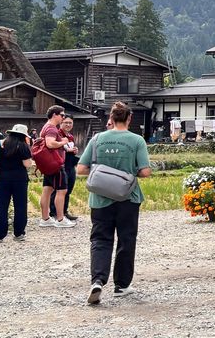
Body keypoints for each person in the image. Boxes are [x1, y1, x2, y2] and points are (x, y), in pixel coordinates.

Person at [77, 102, 152, 305]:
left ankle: (98, 280)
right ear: (129, 119)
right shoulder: (136, 140)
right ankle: (122, 285)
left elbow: (81, 168)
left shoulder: (97, 139)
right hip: (128, 198)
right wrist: (125, 173)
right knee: (126, 240)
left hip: (100, 200)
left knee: (100, 240)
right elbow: (145, 171)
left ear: (111, 118)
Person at [0, 125, 33, 242]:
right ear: (23, 135)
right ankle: (18, 234)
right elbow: (27, 164)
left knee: (2, 206)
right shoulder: (23, 146)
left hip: (2, 179)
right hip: (20, 179)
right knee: (20, 206)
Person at [38, 106, 75, 228]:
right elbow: (50, 143)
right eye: (62, 115)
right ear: (55, 115)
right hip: (56, 163)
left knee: (47, 190)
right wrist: (63, 142)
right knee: (62, 190)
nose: (63, 118)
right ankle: (60, 219)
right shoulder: (52, 129)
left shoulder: (45, 127)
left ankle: (45, 218)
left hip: (48, 163)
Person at [51, 117, 80, 222]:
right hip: (61, 166)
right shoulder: (57, 134)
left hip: (70, 165)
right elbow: (54, 148)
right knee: (59, 190)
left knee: (68, 190)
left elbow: (69, 149)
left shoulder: (70, 136)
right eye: (66, 122)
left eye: (70, 123)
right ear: (61, 123)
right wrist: (66, 149)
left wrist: (74, 151)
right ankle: (54, 212)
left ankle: (64, 211)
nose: (68, 125)